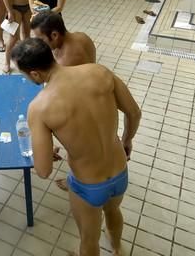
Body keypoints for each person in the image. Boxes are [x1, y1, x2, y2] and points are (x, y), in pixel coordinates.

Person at [11, 38, 141, 256]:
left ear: (34, 74)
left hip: (88, 184)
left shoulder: (40, 107)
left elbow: (43, 171)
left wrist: (46, 152)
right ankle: (118, 248)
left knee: (89, 240)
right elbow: (134, 112)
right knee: (113, 210)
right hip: (119, 171)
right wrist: (127, 140)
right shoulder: (99, 72)